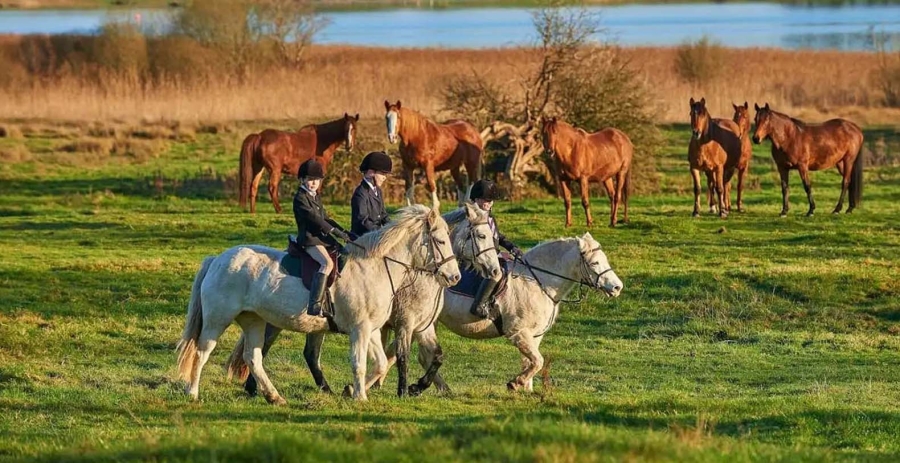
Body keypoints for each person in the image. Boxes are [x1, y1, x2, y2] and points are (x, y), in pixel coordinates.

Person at [293, 158, 355, 317]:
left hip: (320, 237)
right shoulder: (300, 198)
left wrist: (344, 232)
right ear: (302, 180)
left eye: (317, 180)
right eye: (310, 180)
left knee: (344, 252)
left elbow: (325, 218)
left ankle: (334, 290)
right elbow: (314, 219)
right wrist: (333, 231)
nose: (313, 183)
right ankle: (314, 304)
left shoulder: (315, 197)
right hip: (309, 239)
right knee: (326, 263)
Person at [468, 179, 524, 319]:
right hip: (476, 256)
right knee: (496, 273)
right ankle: (479, 306)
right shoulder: (472, 218)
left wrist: (512, 248)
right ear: (475, 199)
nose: (489, 203)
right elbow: (479, 244)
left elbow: (497, 236)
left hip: (491, 254)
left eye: (491, 200)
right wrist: (498, 254)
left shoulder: (489, 216)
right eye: (485, 200)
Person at [351, 151, 392, 236]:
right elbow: (363, 221)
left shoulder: (378, 191)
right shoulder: (360, 193)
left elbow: (383, 215)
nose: (385, 177)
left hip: (375, 235)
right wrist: (381, 231)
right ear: (371, 172)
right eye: (383, 173)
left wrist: (392, 228)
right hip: (362, 238)